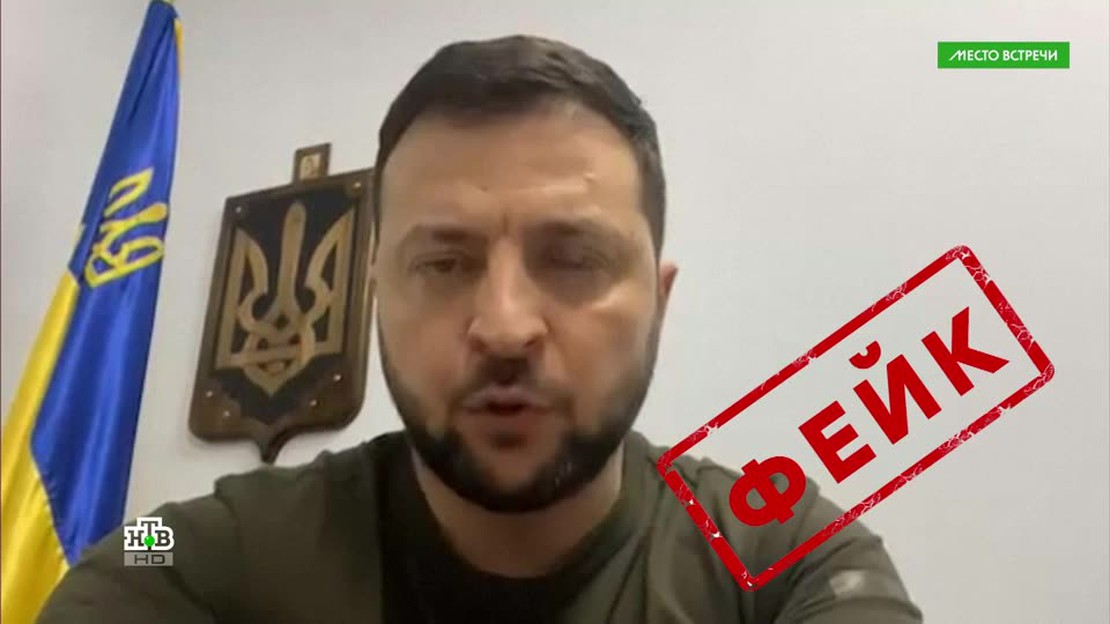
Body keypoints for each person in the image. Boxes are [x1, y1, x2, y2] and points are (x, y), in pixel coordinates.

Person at [38, 35, 922, 623]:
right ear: (376, 294)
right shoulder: (232, 537)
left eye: (573, 259)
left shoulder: (784, 548)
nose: (504, 327)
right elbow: (127, 555)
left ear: (658, 300)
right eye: (444, 263)